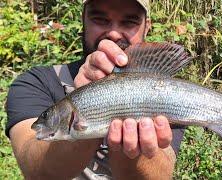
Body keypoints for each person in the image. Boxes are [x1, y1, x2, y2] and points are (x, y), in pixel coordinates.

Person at [5, 0, 185, 179]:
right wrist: (89, 105)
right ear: (83, 20)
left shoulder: (165, 92)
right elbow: (38, 172)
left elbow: (161, 175)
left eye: (129, 22)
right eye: (100, 19)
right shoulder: (36, 82)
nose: (114, 34)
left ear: (146, 27)